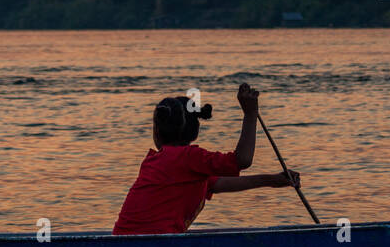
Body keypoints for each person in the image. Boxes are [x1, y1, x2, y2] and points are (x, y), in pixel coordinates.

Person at [112, 83, 300, 235]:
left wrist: (273, 180)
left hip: (128, 244)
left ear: (157, 133)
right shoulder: (187, 159)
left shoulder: (163, 163)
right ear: (194, 131)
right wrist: (250, 115)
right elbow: (242, 160)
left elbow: (220, 184)